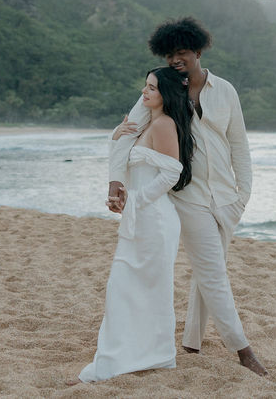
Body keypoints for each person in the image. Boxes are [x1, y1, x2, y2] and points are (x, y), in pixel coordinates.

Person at [108, 17, 268, 376]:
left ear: (197, 51)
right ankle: (243, 351)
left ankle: (193, 339)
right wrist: (115, 179)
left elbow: (239, 144)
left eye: (181, 52)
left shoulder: (225, 91)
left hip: (228, 198)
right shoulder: (164, 89)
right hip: (187, 198)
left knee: (211, 270)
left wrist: (245, 193)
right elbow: (127, 134)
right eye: (169, 54)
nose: (175, 59)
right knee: (213, 274)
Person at [78, 67, 195, 383]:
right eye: (145, 86)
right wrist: (115, 138)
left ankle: (145, 356)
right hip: (143, 217)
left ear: (166, 94)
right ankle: (134, 355)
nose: (144, 92)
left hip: (155, 220)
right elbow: (132, 166)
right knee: (127, 289)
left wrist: (136, 201)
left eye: (152, 88)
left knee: (145, 290)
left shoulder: (165, 124)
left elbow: (172, 173)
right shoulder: (146, 124)